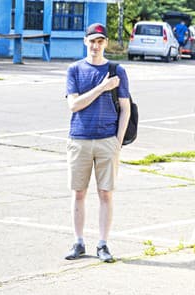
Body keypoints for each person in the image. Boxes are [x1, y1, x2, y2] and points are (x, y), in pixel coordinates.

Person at [64, 23, 131, 263]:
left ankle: (103, 243)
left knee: (105, 194)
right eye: (92, 41)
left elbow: (125, 108)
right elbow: (74, 105)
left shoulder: (117, 70)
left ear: (105, 43)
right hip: (79, 138)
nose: (96, 46)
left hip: (107, 141)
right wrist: (102, 87)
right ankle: (78, 241)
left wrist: (118, 141)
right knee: (78, 192)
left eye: (100, 41)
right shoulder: (75, 70)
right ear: (85, 42)